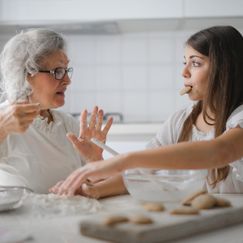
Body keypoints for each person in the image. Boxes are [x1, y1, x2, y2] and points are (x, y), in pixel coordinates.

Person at [50, 25, 243, 196]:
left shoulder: (239, 118)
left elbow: (220, 151)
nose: (184, 72)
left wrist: (126, 160)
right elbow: (143, 172)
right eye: (185, 62)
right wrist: (94, 189)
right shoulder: (180, 121)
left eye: (195, 63)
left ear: (225, 69)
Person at [0, 28, 121, 195]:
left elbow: (98, 187)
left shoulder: (68, 124)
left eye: (66, 70)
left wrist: (95, 161)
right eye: (57, 71)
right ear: (26, 74)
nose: (68, 80)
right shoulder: (4, 119)